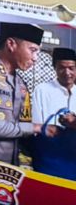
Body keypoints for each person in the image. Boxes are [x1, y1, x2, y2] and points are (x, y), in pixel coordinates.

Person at [0, 22, 62, 162]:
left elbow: (20, 128)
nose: (35, 58)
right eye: (32, 50)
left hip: (9, 166)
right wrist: (37, 127)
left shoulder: (20, 83)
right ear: (11, 44)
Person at [31, 47, 76, 179]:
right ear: (55, 68)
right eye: (61, 68)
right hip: (49, 154)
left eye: (71, 68)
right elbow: (36, 124)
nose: (67, 72)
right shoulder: (42, 90)